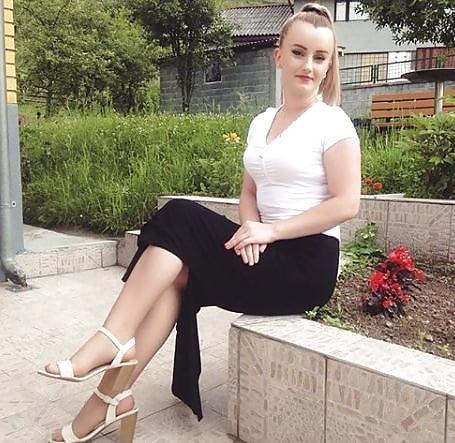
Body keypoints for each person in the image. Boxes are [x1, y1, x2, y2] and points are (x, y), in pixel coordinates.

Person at [39, 3, 361, 442]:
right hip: (266, 249)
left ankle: (112, 339)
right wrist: (251, 229)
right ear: (279, 55)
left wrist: (269, 231)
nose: (309, 65)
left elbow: (347, 203)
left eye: (319, 57)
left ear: (328, 66)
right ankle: (107, 401)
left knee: (179, 215)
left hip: (305, 264)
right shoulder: (262, 122)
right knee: (176, 275)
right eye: (299, 52)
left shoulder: (332, 121)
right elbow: (250, 193)